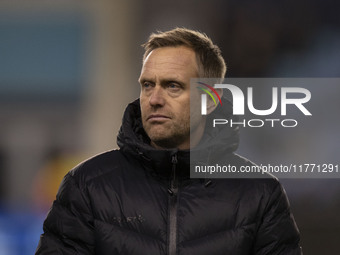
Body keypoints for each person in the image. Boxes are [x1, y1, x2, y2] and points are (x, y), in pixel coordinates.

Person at [36, 27, 302, 254]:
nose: (154, 99)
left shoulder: (260, 194)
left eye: (173, 85)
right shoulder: (87, 185)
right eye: (147, 85)